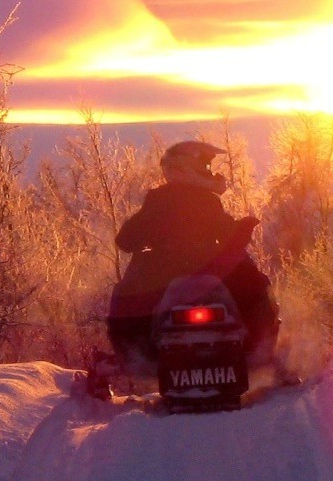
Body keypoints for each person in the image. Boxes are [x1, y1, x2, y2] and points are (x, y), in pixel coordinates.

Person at [106, 140, 278, 369]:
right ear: (186, 168)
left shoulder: (157, 200)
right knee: (257, 286)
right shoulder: (207, 201)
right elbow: (229, 236)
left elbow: (126, 240)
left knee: (125, 296)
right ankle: (259, 350)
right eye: (205, 166)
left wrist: (143, 236)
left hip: (161, 269)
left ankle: (135, 355)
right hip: (207, 265)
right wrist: (243, 229)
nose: (210, 172)